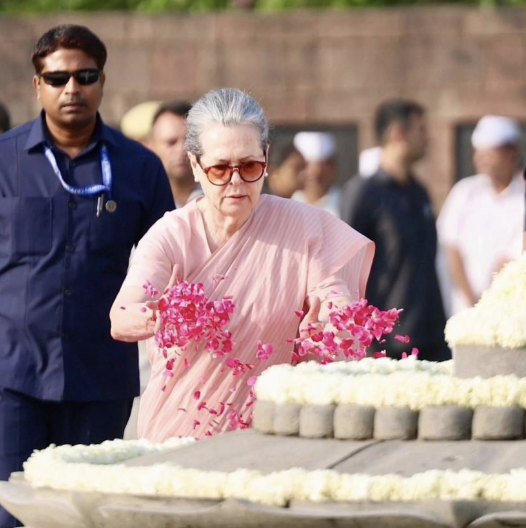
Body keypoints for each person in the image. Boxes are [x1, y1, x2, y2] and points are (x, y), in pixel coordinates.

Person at [110, 88, 374, 443]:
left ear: (266, 158)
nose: (236, 182)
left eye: (249, 166)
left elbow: (334, 302)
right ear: (195, 165)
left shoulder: (301, 226)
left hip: (269, 431)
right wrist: (155, 316)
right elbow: (122, 312)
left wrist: (329, 322)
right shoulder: (172, 234)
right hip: (178, 433)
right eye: (220, 168)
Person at [0, 24, 174, 528]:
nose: (71, 88)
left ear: (102, 80)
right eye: (57, 79)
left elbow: (171, 264)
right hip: (14, 377)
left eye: (85, 75)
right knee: (11, 513)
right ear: (38, 85)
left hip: (100, 377)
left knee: (86, 514)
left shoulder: (139, 167)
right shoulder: (5, 159)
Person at [340, 100, 450, 362]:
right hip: (388, 347)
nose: (428, 139)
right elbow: (346, 268)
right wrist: (361, 339)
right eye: (421, 129)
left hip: (432, 338)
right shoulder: (363, 193)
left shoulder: (419, 192)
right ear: (399, 134)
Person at [438, 115, 524, 315]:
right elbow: (450, 247)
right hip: (461, 312)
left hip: (508, 315)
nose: (480, 159)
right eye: (478, 153)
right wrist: (472, 301)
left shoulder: (522, 199)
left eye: (489, 153)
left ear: (511, 153)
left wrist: (489, 304)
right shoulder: (464, 192)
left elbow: (513, 259)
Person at [148, 101, 203, 208]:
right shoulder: (143, 199)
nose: (181, 149)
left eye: (189, 141)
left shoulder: (221, 194)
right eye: (171, 142)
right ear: (151, 147)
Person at [291, 131, 340, 217]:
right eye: (306, 167)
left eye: (320, 176)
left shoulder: (344, 203)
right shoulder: (290, 204)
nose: (314, 175)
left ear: (333, 168)